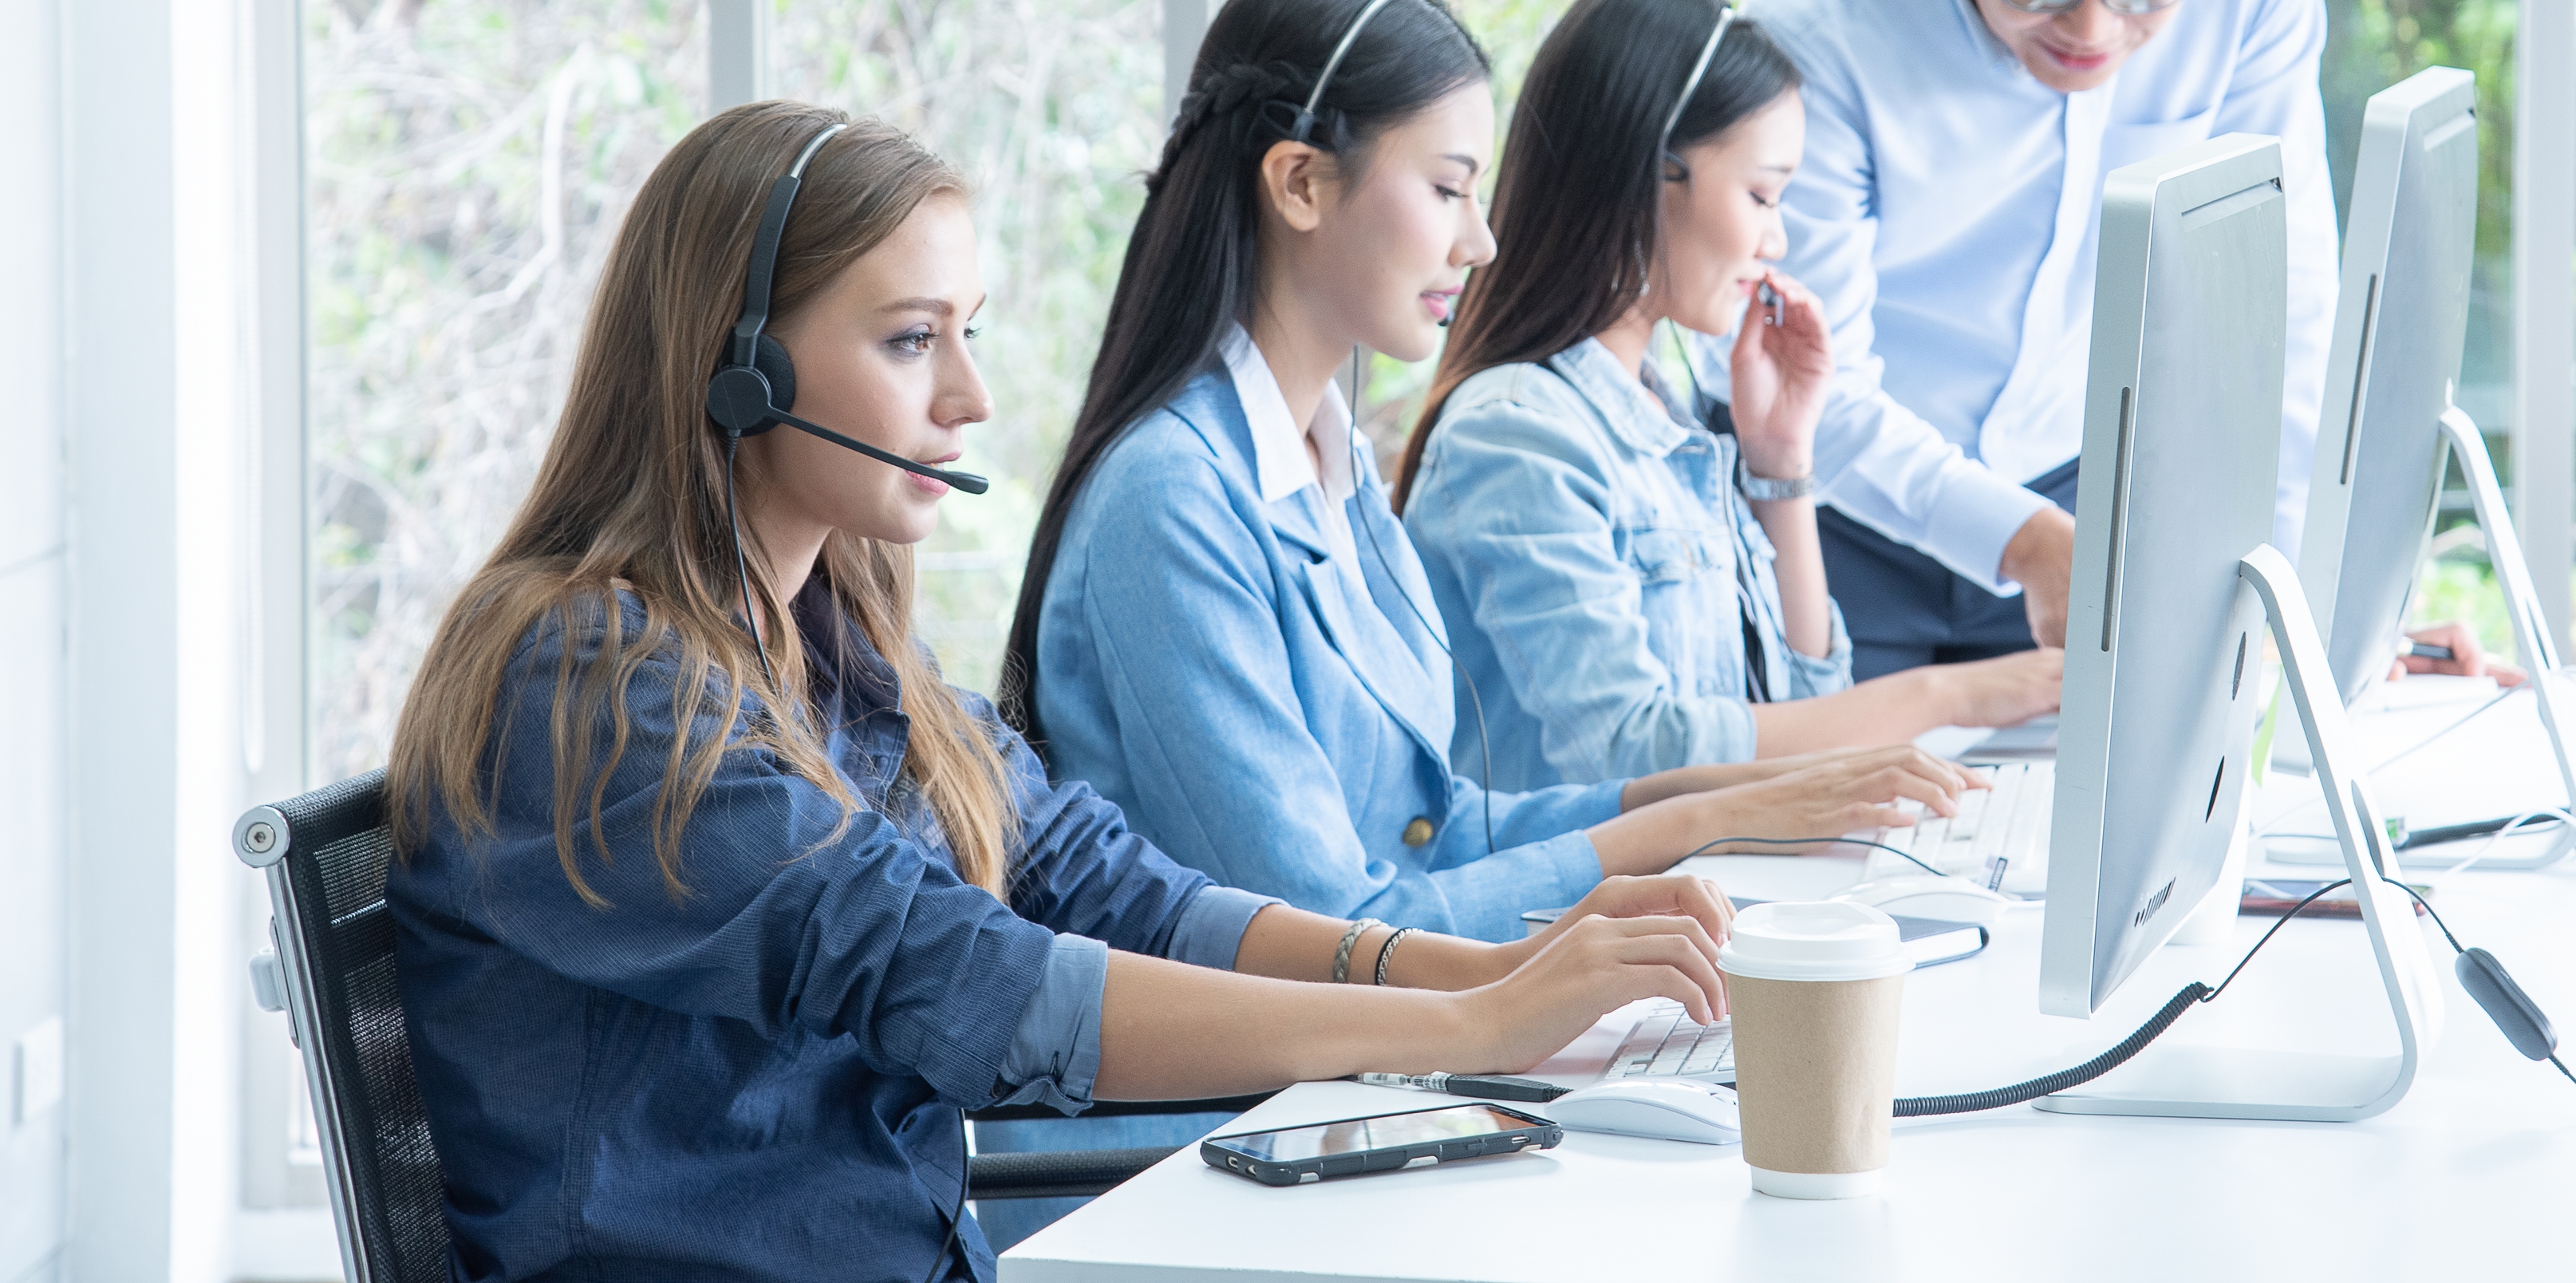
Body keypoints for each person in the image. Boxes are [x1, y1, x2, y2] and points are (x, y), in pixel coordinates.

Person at [385, 102, 1755, 1283]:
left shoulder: (830, 646)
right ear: (739, 367)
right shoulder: (590, 684)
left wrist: (1506, 975)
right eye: (914, 340)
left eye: (965, 333)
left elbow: (1108, 887)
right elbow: (977, 984)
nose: (973, 396)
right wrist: (1463, 1030)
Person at [1006, 0, 1984, 945]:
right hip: (1245, 1100)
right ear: (1299, 184)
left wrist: (1725, 800)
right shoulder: (1171, 498)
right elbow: (1328, 930)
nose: (1480, 241)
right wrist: (1698, 816)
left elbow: (1434, 830)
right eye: (1446, 189)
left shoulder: (1328, 472)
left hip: (1365, 1063)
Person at [1698, 0, 2510, 685]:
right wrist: (2024, 541)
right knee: (1847, 824)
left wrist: (2308, 605)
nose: (2092, 29)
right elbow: (1805, 383)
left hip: (2089, 503)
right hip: (1839, 510)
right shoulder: (1827, 17)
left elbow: (2281, 304)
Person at [1395, 0, 2063, 787]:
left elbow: (1812, 705)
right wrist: (1957, 695)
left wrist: (1782, 463)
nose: (1775, 239)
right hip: (1577, 913)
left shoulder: (1663, 419)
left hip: (1704, 892)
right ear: (1650, 173)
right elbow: (1634, 751)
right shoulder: (1515, 435)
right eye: (1762, 194)